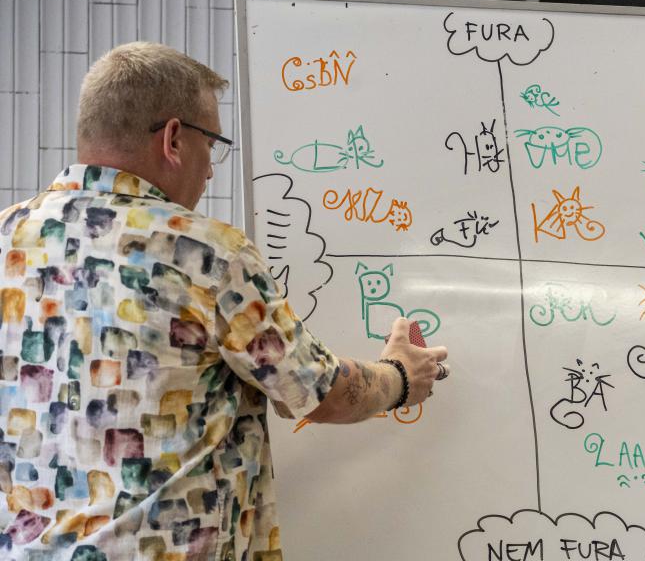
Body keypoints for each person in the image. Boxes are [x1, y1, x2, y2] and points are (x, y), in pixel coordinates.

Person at [0, 41, 449, 560]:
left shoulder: (8, 236)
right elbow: (317, 391)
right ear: (173, 138)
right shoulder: (206, 254)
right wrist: (399, 377)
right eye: (211, 143)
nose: (211, 169)